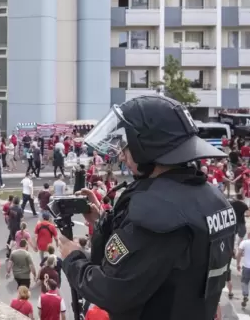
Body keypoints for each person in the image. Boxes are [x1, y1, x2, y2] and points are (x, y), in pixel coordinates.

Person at [60, 95, 235, 319]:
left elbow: (112, 291)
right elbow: (163, 262)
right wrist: (103, 221)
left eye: (127, 145)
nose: (123, 154)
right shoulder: (213, 199)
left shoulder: (160, 212)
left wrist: (72, 258)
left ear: (147, 147)